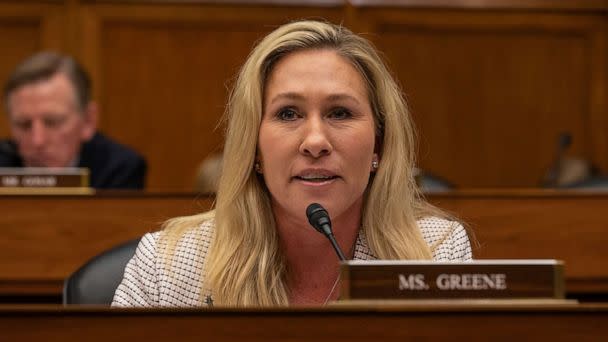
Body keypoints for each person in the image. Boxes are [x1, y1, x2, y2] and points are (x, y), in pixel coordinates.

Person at [112, 20, 472, 308]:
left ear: (379, 144)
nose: (315, 141)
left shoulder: (434, 256)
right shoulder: (169, 266)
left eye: (340, 112)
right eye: (288, 113)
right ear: (253, 147)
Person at [0, 51, 146, 189]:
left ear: (88, 121)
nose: (38, 141)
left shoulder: (118, 168)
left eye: (52, 122)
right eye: (24, 125)